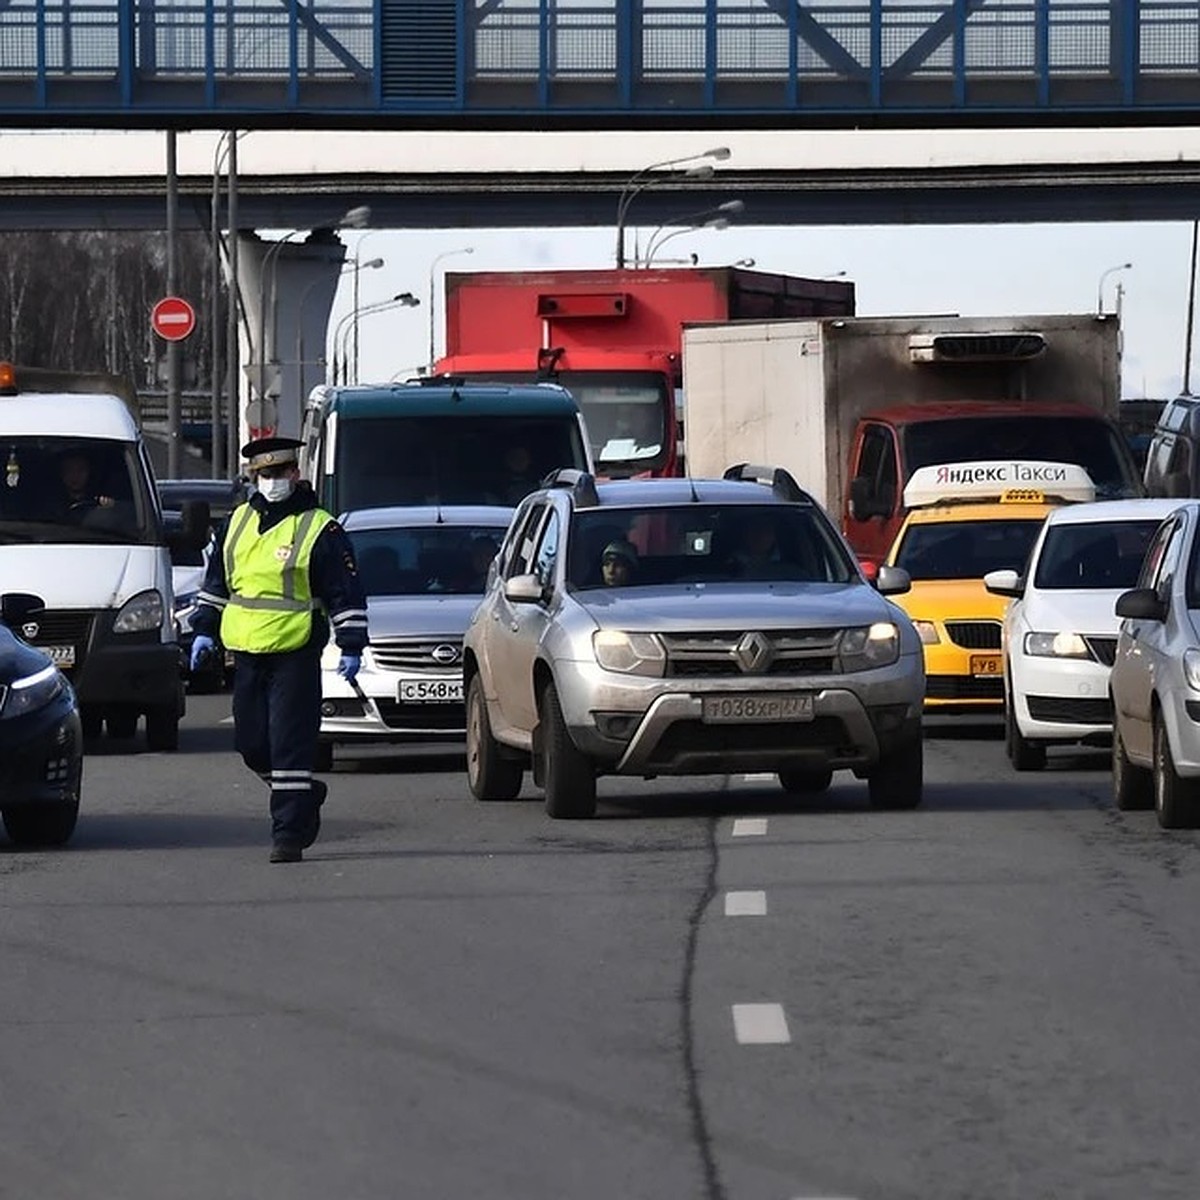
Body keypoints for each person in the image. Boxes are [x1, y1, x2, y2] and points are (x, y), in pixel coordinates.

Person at [190, 437, 367, 864]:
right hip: (246, 651)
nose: (271, 481)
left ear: (294, 474)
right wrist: (203, 631)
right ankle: (305, 792)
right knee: (251, 745)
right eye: (263, 475)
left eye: (278, 474)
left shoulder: (319, 527)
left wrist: (351, 644)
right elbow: (217, 584)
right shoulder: (235, 523)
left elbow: (344, 591)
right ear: (254, 478)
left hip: (295, 650)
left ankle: (287, 834)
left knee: (290, 744)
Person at [54, 448, 116, 522]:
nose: (75, 476)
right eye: (69, 470)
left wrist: (110, 509)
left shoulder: (98, 501)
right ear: (62, 473)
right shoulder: (51, 504)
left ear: (89, 472)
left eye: (81, 470)